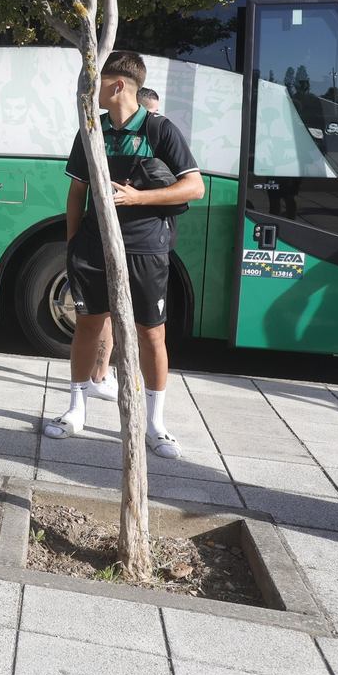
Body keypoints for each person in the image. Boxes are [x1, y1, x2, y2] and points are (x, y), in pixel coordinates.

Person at [46, 51, 203, 458]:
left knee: (152, 334)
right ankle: (75, 411)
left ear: (117, 86)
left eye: (95, 82)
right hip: (92, 250)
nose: (88, 90)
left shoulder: (159, 130)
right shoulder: (91, 131)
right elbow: (76, 193)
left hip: (146, 250)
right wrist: (73, 246)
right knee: (87, 327)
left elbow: (194, 188)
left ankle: (155, 426)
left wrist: (139, 198)